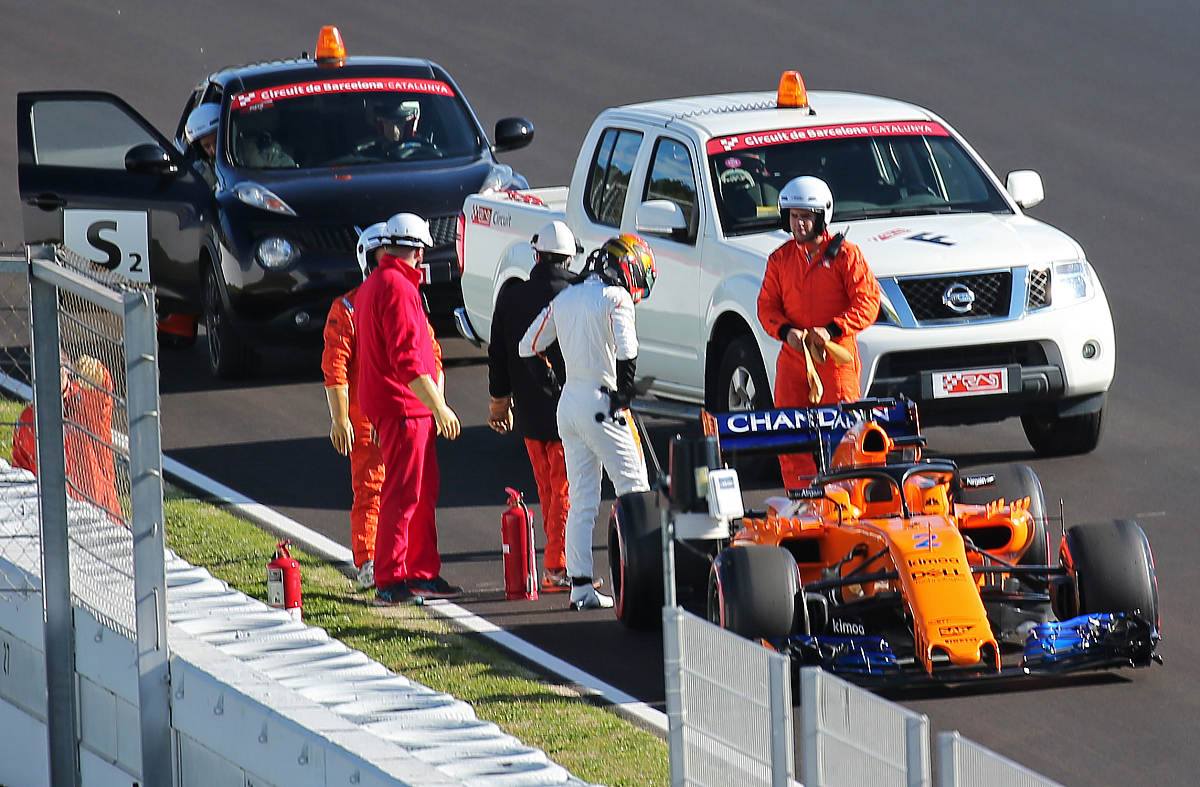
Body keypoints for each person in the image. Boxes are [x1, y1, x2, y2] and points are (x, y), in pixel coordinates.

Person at [519, 234, 657, 610]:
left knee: (582, 500)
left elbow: (527, 346)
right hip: (602, 401)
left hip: (569, 403)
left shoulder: (565, 298)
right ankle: (644, 584)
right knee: (635, 491)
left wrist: (552, 383)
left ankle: (581, 588)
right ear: (627, 267)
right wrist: (624, 394)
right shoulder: (617, 298)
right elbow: (628, 352)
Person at [323, 222, 444, 589]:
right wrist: (341, 418)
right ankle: (372, 562)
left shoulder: (397, 296)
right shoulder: (350, 305)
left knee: (413, 492)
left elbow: (431, 355)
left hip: (400, 406)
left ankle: (407, 566)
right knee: (374, 490)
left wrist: (435, 405)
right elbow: (336, 366)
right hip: (378, 412)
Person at [354, 212, 462, 605]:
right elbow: (408, 359)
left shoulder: (375, 285)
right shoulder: (397, 288)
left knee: (420, 491)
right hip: (404, 406)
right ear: (417, 250)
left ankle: (419, 571)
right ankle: (390, 578)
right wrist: (440, 408)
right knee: (402, 494)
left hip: (399, 405)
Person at [757, 176, 881, 489]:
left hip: (835, 363)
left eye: (806, 217)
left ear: (821, 217)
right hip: (794, 363)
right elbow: (767, 307)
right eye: (794, 217)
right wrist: (787, 333)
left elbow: (868, 302)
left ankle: (846, 504)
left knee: (845, 440)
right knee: (790, 438)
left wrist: (831, 330)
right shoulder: (780, 259)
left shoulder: (847, 256)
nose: (799, 224)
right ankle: (802, 501)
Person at [486, 221, 579, 592]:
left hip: (528, 413)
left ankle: (557, 562)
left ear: (536, 256)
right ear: (569, 257)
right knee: (567, 493)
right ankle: (558, 566)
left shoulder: (511, 298)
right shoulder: (577, 293)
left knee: (548, 492)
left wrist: (498, 405)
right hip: (568, 411)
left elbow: (499, 356)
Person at [13, 352, 122, 524]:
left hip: (98, 511)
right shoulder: (28, 419)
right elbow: (20, 469)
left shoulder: (84, 401)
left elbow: (101, 401)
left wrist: (98, 377)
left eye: (56, 373)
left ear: (67, 372)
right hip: (51, 515)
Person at [358, 101, 427, 161]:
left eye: (399, 122)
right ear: (379, 124)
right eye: (386, 122)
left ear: (410, 124)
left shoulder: (423, 153)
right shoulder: (365, 156)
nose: (394, 130)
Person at [183, 103, 220, 188]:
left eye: (217, 142)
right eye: (207, 146)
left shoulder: (249, 156)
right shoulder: (200, 175)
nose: (214, 150)